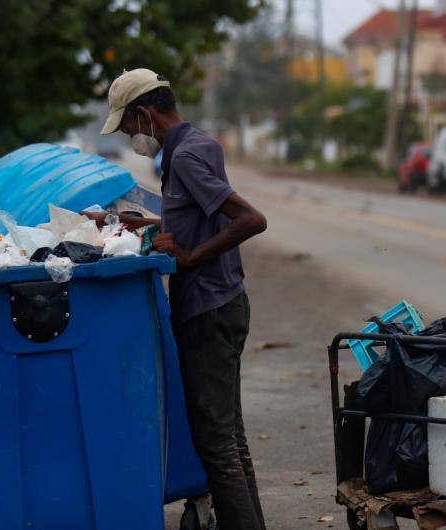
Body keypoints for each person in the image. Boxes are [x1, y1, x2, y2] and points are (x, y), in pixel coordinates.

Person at [93, 68, 268, 530]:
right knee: (231, 437)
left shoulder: (185, 157)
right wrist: (152, 226)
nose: (130, 136)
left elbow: (251, 220)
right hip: (226, 302)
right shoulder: (197, 145)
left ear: (145, 113)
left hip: (208, 309)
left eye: (129, 126)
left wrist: (189, 257)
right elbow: (200, 215)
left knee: (216, 443)